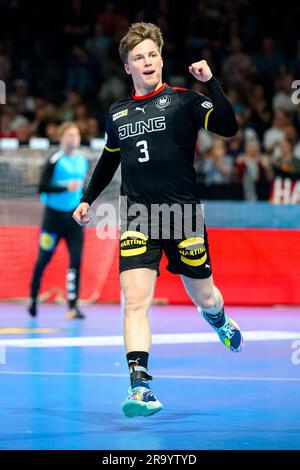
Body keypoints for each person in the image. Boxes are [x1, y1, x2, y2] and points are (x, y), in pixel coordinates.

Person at [73, 22, 244, 418]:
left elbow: (228, 126)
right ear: (127, 68)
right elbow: (109, 158)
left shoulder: (185, 101)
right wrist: (87, 198)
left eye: (152, 54)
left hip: (182, 216)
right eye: (138, 57)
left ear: (162, 59)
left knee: (206, 297)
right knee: (134, 302)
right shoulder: (118, 114)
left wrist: (212, 81)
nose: (147, 61)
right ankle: (141, 387)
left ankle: (218, 319)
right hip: (137, 217)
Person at [28, 122, 89, 320]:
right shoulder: (55, 160)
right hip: (52, 218)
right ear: (62, 138)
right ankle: (33, 298)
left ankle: (73, 307)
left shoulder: (83, 160)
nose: (73, 138)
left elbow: (83, 187)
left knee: (76, 261)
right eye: (69, 135)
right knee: (43, 260)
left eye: (76, 135)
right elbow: (42, 187)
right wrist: (64, 187)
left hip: (73, 219)